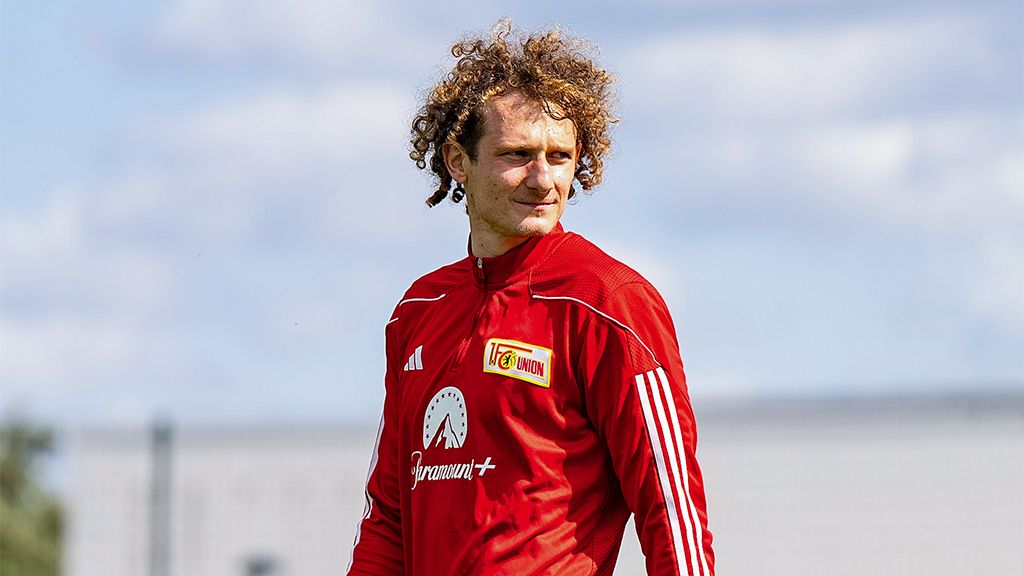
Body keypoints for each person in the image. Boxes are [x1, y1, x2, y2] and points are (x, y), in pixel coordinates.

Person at [347, 21, 714, 576]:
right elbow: (388, 517)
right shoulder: (418, 310)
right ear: (457, 160)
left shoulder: (608, 300)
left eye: (560, 156)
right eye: (517, 153)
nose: (543, 180)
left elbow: (671, 507)